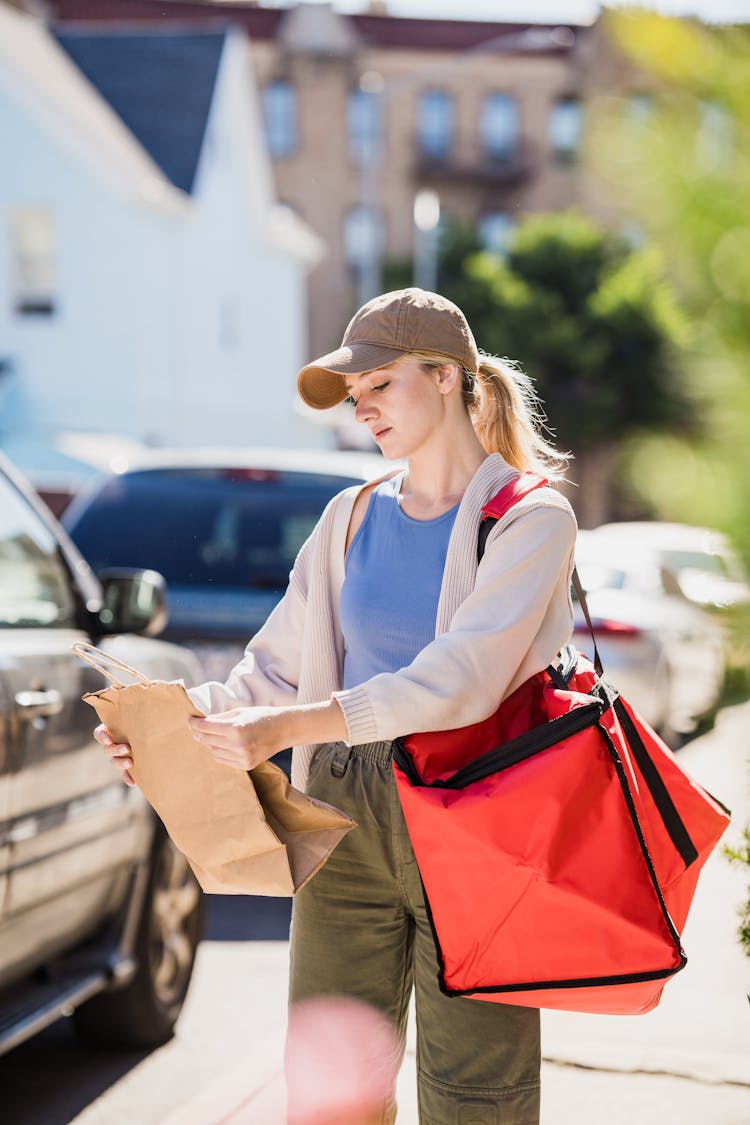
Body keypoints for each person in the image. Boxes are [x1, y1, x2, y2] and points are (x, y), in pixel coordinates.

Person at [96, 287, 577, 1124]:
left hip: (476, 819)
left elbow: (459, 680)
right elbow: (277, 667)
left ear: (445, 375)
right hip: (342, 816)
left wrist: (284, 729)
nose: (364, 410)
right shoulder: (347, 518)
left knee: (477, 1098)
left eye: (380, 385)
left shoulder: (531, 518)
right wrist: (175, 728)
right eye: (356, 397)